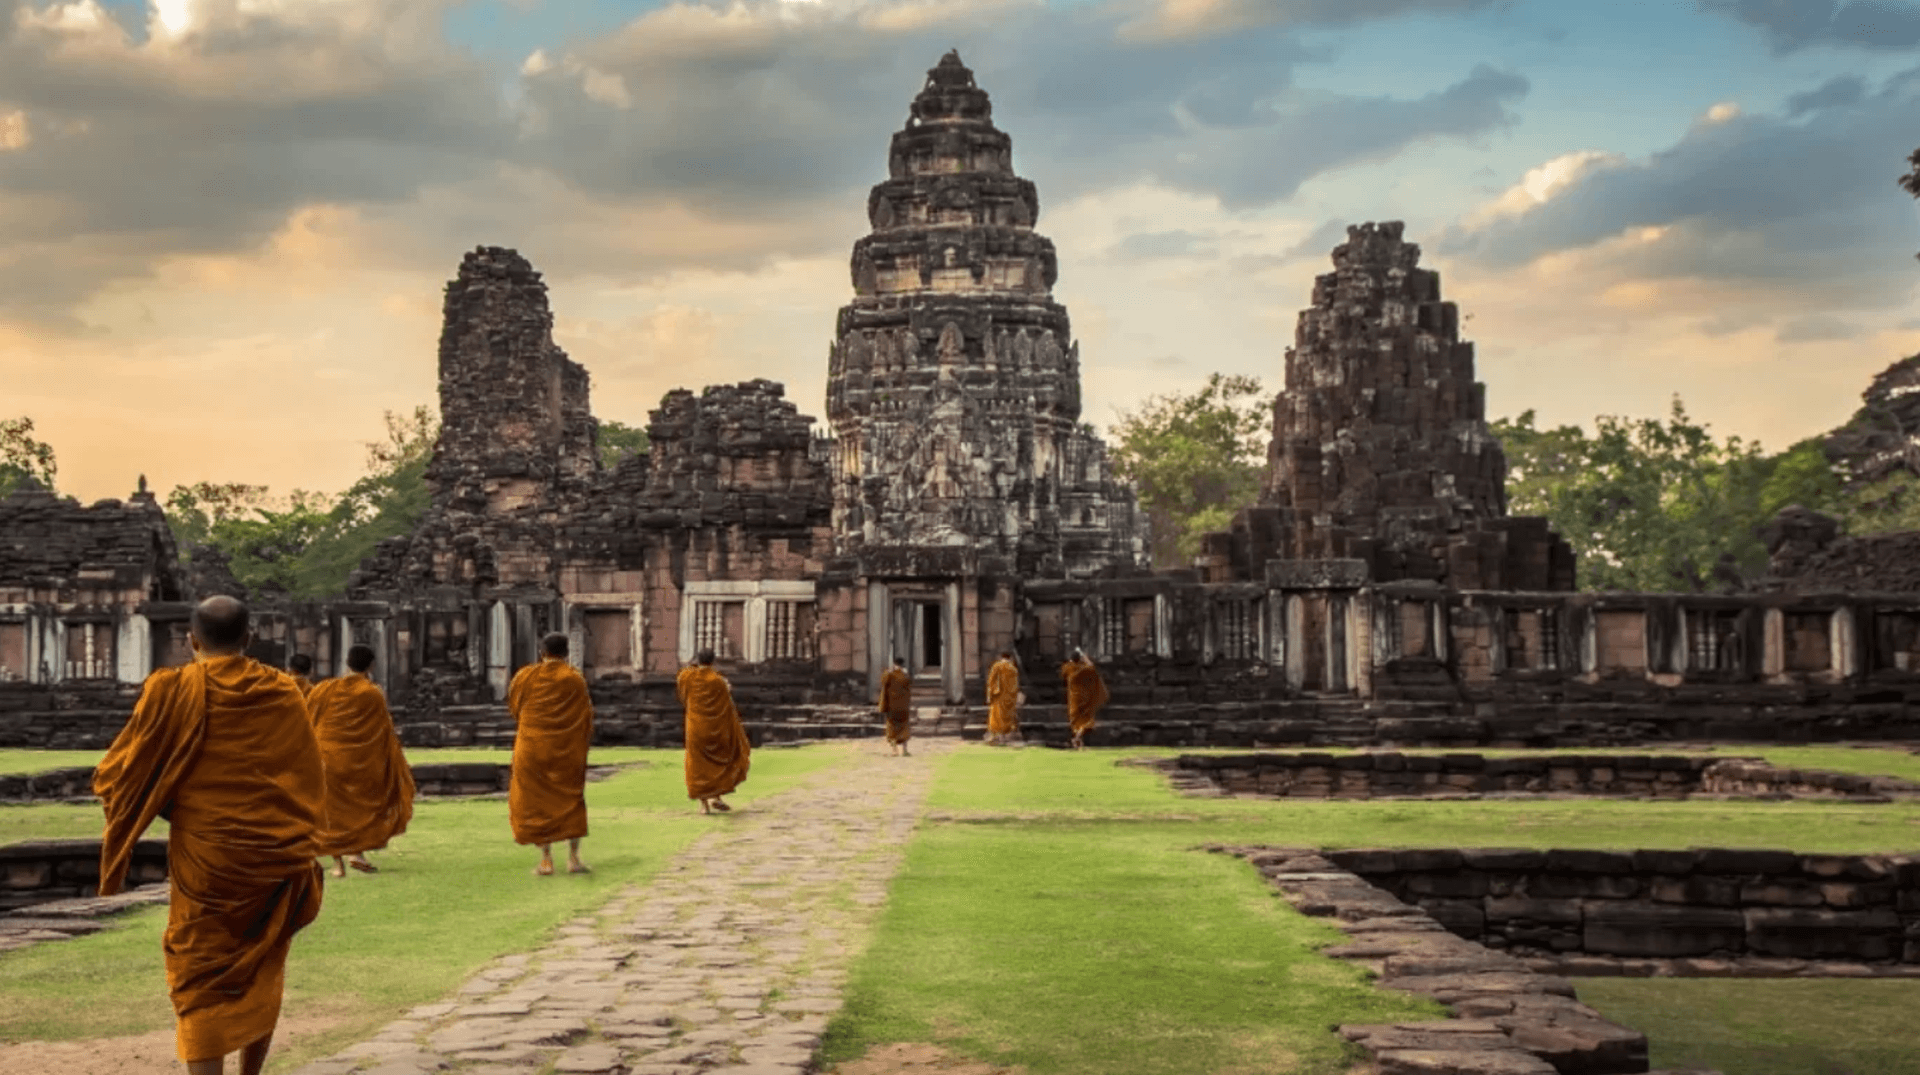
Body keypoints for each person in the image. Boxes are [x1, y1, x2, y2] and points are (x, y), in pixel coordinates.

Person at [93, 595, 326, 1075]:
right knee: (263, 964)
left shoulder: (169, 689)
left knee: (201, 972)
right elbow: (306, 778)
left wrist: (178, 807)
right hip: (273, 853)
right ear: (250, 638)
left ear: (191, 640)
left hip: (207, 856)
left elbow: (119, 775)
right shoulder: (283, 691)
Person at [308, 645, 414, 878]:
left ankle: (337, 864)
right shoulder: (372, 692)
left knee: (332, 810)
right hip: (361, 760)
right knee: (361, 806)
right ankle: (356, 853)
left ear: (347, 662)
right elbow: (382, 730)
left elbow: (310, 719)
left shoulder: (324, 688)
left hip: (328, 757)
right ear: (371, 665)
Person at [508, 632, 594, 876]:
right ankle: (574, 859)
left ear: (541, 651)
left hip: (532, 747)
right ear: (566, 652)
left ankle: (546, 859)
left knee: (538, 803)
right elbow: (585, 715)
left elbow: (516, 708)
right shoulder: (574, 679)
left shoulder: (525, 676)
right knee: (571, 800)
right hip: (566, 749)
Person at [678, 648, 751, 814]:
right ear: (713, 661)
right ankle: (717, 797)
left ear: (697, 659)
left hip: (695, 727)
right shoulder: (717, 681)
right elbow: (727, 706)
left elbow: (683, 696)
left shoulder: (686, 676)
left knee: (698, 765)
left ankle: (704, 806)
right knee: (718, 761)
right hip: (716, 728)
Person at [1061, 648, 1108, 751]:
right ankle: (1077, 739)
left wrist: (1073, 660)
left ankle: (1077, 740)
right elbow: (1092, 667)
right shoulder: (1084, 669)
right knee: (1085, 720)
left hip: (1074, 698)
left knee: (1075, 721)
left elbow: (1064, 671)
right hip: (1084, 698)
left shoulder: (1068, 668)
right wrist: (1085, 658)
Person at [878, 655, 912, 756]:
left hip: (892, 705)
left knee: (892, 728)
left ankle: (894, 750)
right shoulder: (905, 674)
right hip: (903, 705)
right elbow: (908, 686)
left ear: (894, 663)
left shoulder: (889, 673)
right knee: (904, 726)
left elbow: (883, 682)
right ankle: (905, 750)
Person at [985, 650, 1021, 745]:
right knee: (1007, 717)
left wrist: (990, 695)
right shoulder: (1013, 669)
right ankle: (1005, 737)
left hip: (998, 696)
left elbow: (991, 681)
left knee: (997, 716)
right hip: (1009, 697)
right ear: (1010, 658)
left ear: (1001, 657)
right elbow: (1015, 685)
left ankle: (999, 737)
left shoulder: (997, 666)